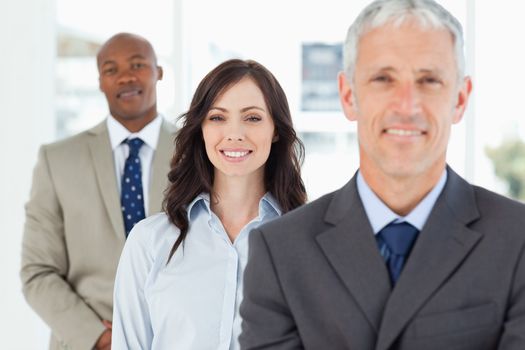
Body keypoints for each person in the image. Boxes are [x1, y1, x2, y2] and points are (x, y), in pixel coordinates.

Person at [239, 1, 525, 349]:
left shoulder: (517, 240)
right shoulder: (280, 251)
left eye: (429, 80)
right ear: (348, 95)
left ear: (460, 99)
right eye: (383, 79)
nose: (406, 105)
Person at [111, 58, 307, 349]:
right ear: (201, 128)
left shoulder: (307, 244)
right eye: (217, 117)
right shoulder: (149, 242)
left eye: (252, 118)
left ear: (275, 129)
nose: (235, 133)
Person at [21, 32, 174, 350]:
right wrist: (100, 337)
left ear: (158, 72)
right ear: (100, 81)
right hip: (88, 341)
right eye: (111, 69)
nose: (126, 77)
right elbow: (37, 271)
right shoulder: (57, 160)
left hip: (178, 337)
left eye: (138, 64)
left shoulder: (199, 152)